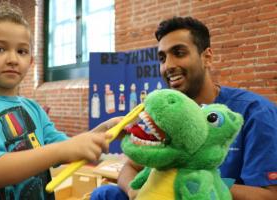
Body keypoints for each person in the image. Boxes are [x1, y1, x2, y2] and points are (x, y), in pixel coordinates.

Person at [91, 16, 277, 200]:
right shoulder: (167, 113)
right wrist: (136, 192)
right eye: (162, 58)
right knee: (105, 194)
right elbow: (131, 167)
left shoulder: (254, 112)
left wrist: (199, 183)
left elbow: (269, 195)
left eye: (179, 53)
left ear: (207, 57)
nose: (168, 66)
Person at [0, 2, 118, 200]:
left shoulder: (32, 108)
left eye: (22, 51)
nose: (13, 59)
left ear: (31, 61)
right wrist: (61, 150)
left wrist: (102, 132)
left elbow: (65, 146)